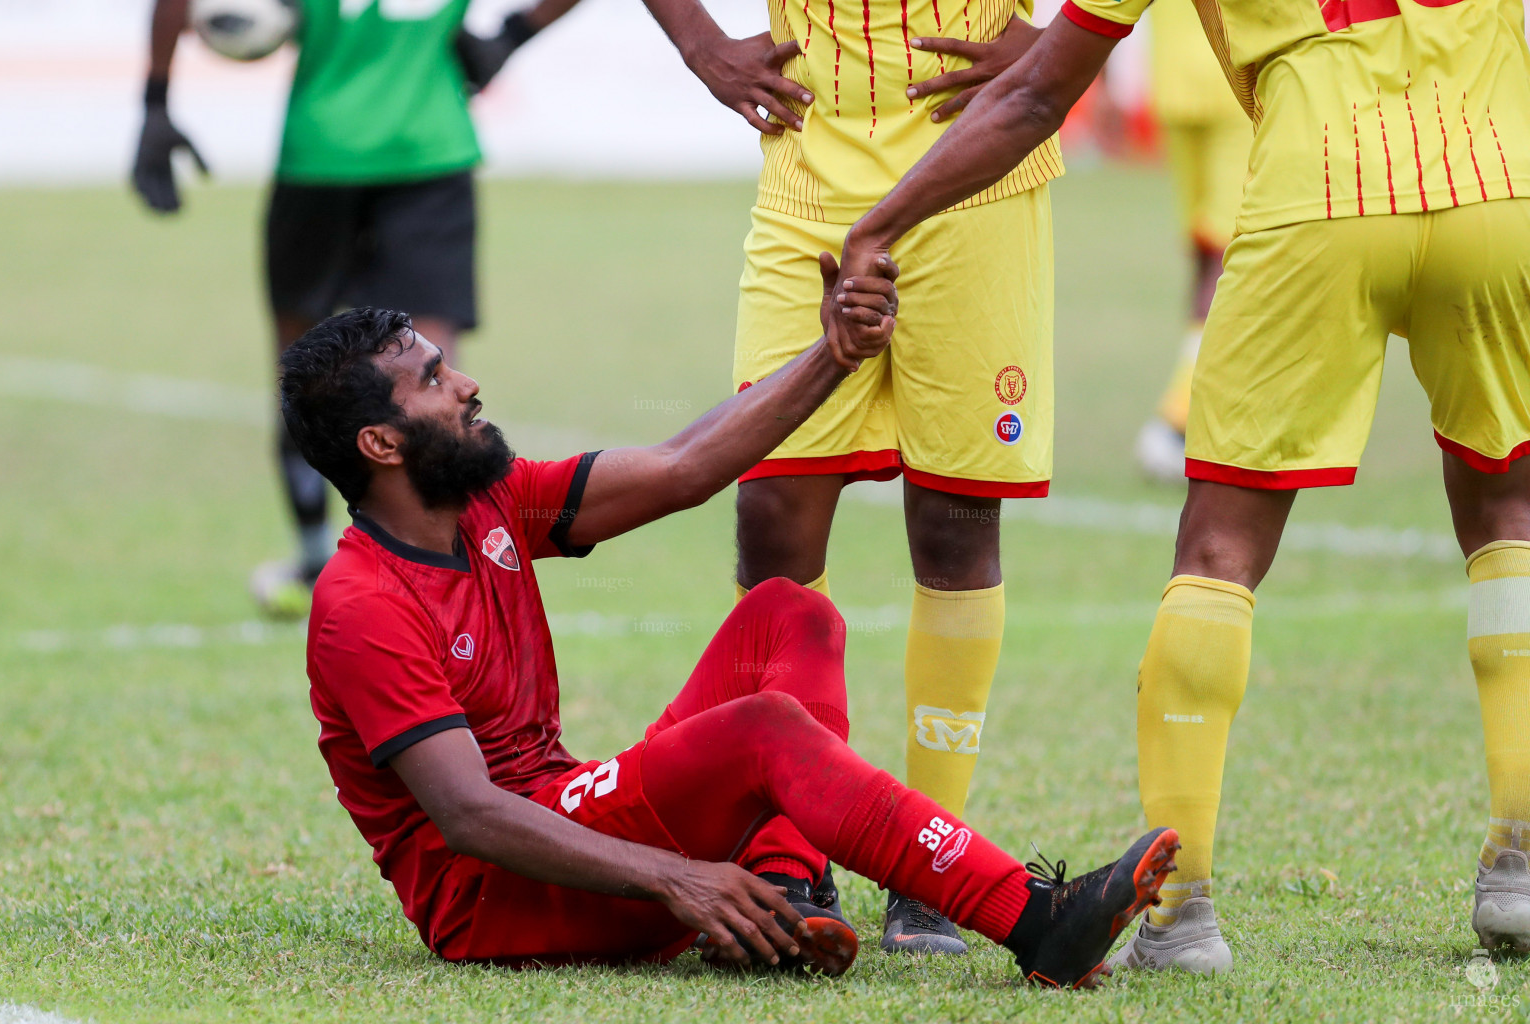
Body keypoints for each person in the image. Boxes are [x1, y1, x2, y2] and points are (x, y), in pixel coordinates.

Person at [828, 0, 1530, 975]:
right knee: (1510, 506)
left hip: (1319, 192)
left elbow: (1038, 93)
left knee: (1219, 546)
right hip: (1500, 177)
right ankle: (1523, 861)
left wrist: (882, 222)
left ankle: (1182, 909)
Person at [277, 275, 1180, 985]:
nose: (468, 383)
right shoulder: (361, 603)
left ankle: (783, 884)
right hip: (499, 901)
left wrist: (835, 352)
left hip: (565, 813)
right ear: (381, 446)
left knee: (787, 612)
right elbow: (469, 815)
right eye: (434, 379)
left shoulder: (490, 500)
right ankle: (1033, 919)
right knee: (762, 730)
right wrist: (679, 878)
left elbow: (683, 467)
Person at [637, 0, 1062, 954]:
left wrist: (1075, 51)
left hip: (983, 170)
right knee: (774, 509)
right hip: (809, 174)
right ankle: (796, 845)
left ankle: (932, 874)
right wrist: (700, 43)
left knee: (956, 523)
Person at [132, 0, 579, 619]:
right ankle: (457, 571)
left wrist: (155, 100)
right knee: (432, 379)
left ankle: (318, 559)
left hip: (323, 150)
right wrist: (514, 32)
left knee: (302, 370)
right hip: (429, 147)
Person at [1131, 0, 1252, 482]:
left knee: (1220, 256)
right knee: (1214, 255)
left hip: (1205, 82)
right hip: (1212, 83)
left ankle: (1186, 412)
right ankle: (1193, 413)